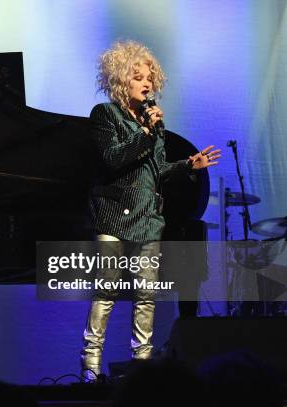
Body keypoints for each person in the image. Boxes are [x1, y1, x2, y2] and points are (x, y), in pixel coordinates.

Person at [81, 40, 220, 381]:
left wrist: (188, 164)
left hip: (148, 219)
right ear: (120, 81)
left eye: (150, 78)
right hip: (114, 216)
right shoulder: (105, 115)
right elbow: (114, 158)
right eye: (138, 77)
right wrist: (144, 130)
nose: (147, 84)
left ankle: (142, 366)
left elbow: (157, 171)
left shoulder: (153, 126)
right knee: (107, 291)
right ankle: (90, 366)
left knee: (146, 295)